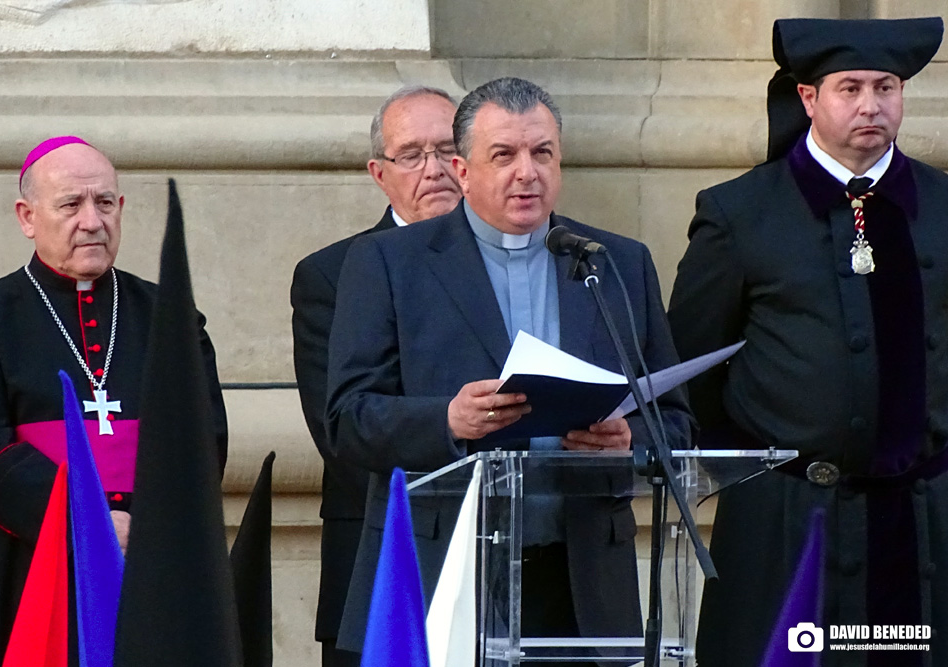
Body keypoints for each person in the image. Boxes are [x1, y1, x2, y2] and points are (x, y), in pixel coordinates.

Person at [326, 77, 693, 658]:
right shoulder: (388, 264)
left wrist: (629, 436)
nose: (527, 172)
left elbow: (675, 422)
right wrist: (448, 420)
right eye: (504, 155)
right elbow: (348, 419)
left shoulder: (616, 262)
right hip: (443, 569)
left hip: (582, 581)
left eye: (542, 152)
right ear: (463, 170)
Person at [667, 18, 948, 667]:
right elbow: (691, 366)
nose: (871, 105)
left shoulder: (939, 205)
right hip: (787, 524)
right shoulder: (740, 214)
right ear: (808, 98)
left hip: (920, 527)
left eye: (887, 87)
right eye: (850, 88)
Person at [0, 136, 228, 667]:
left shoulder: (171, 317)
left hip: (153, 556)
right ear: (27, 217)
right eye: (70, 205)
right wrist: (91, 522)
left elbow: (203, 438)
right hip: (29, 561)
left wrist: (149, 522)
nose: (92, 221)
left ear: (120, 209)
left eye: (104, 203)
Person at [290, 85, 462, 667]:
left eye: (448, 148)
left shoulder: (524, 255)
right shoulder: (330, 276)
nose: (434, 169)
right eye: (412, 155)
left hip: (507, 548)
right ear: (379, 173)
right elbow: (339, 430)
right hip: (379, 547)